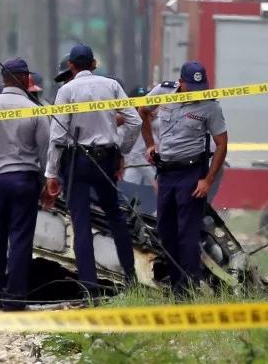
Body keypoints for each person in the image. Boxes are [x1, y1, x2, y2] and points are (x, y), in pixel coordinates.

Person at [44, 44, 141, 289]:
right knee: (116, 218)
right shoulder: (111, 86)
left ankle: (90, 286)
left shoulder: (66, 90)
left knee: (81, 223)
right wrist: (121, 149)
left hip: (78, 161)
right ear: (94, 64)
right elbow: (135, 121)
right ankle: (131, 278)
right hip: (106, 160)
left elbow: (57, 137)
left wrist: (51, 173)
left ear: (71, 66)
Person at [0, 59, 49, 312]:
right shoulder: (34, 109)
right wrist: (48, 182)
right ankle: (14, 300)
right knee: (21, 240)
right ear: (25, 79)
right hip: (25, 181)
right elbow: (45, 150)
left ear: (3, 79)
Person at [142, 61, 228, 295]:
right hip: (166, 173)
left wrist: (208, 179)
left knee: (187, 234)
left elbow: (221, 144)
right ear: (180, 83)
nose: (196, 92)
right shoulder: (162, 92)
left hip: (192, 174)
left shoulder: (210, 106)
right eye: (191, 86)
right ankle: (177, 280)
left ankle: (188, 289)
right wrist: (150, 144)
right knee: (165, 231)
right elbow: (142, 111)